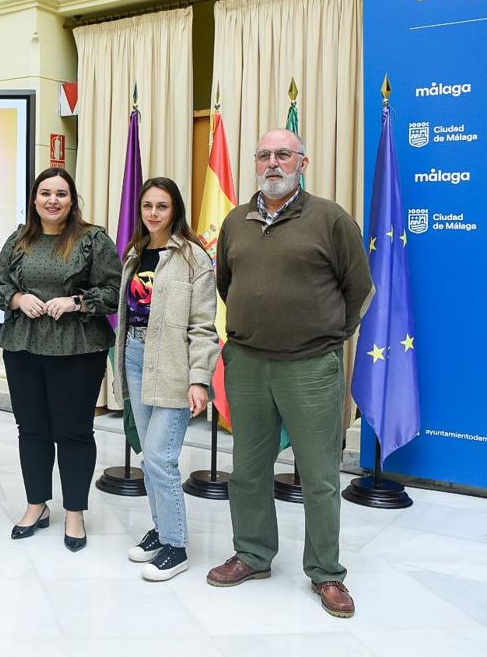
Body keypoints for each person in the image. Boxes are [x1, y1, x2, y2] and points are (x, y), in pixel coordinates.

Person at [206, 129, 372, 618]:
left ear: (303, 161)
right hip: (248, 364)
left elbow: (358, 288)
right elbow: (226, 283)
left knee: (319, 475)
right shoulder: (236, 221)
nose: (272, 163)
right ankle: (253, 555)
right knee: (247, 470)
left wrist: (323, 338)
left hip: (310, 367)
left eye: (283, 154)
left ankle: (326, 573)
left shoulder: (330, 218)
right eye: (264, 155)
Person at [0, 167, 120, 551]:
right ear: (34, 199)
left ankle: (74, 513)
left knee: (74, 433)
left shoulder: (92, 240)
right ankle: (36, 506)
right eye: (45, 193)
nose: (52, 200)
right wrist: (16, 298)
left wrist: (77, 302)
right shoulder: (19, 240)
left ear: (72, 200)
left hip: (78, 349)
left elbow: (114, 291)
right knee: (32, 430)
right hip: (23, 347)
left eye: (61, 194)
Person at [115, 177, 219, 581]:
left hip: (175, 363)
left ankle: (176, 546)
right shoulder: (135, 253)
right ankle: (159, 531)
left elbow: (203, 325)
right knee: (148, 454)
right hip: (136, 357)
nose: (154, 213)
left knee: (161, 456)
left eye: (162, 206)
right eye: (147, 206)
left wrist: (199, 379)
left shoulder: (194, 257)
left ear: (175, 209)